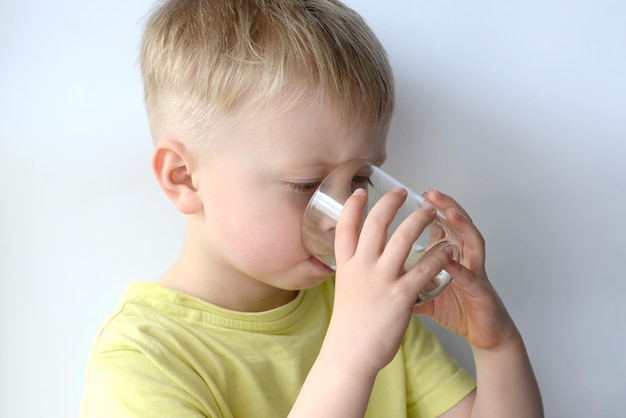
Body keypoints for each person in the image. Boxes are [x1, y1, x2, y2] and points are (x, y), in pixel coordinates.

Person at [80, 0, 543, 416]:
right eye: (305, 184)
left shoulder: (362, 300)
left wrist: (496, 345)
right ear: (183, 177)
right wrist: (351, 354)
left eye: (360, 179)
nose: (348, 212)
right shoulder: (142, 362)